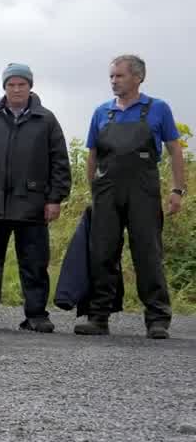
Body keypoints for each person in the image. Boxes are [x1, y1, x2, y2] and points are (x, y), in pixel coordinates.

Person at [74, 54, 186, 339]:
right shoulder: (102, 112)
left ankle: (157, 319)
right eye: (111, 76)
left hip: (143, 190)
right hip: (107, 192)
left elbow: (174, 150)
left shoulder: (158, 109)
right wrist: (94, 190)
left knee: (148, 253)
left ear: (138, 77)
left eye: (119, 76)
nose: (114, 81)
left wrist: (177, 189)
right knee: (102, 253)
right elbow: (93, 155)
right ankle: (98, 317)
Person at [0, 63, 71, 332]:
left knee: (34, 263)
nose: (16, 89)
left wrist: (55, 198)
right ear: (4, 87)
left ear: (30, 86)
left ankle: (36, 316)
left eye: (22, 84)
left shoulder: (47, 120)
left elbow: (60, 163)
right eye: (11, 84)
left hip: (32, 205)